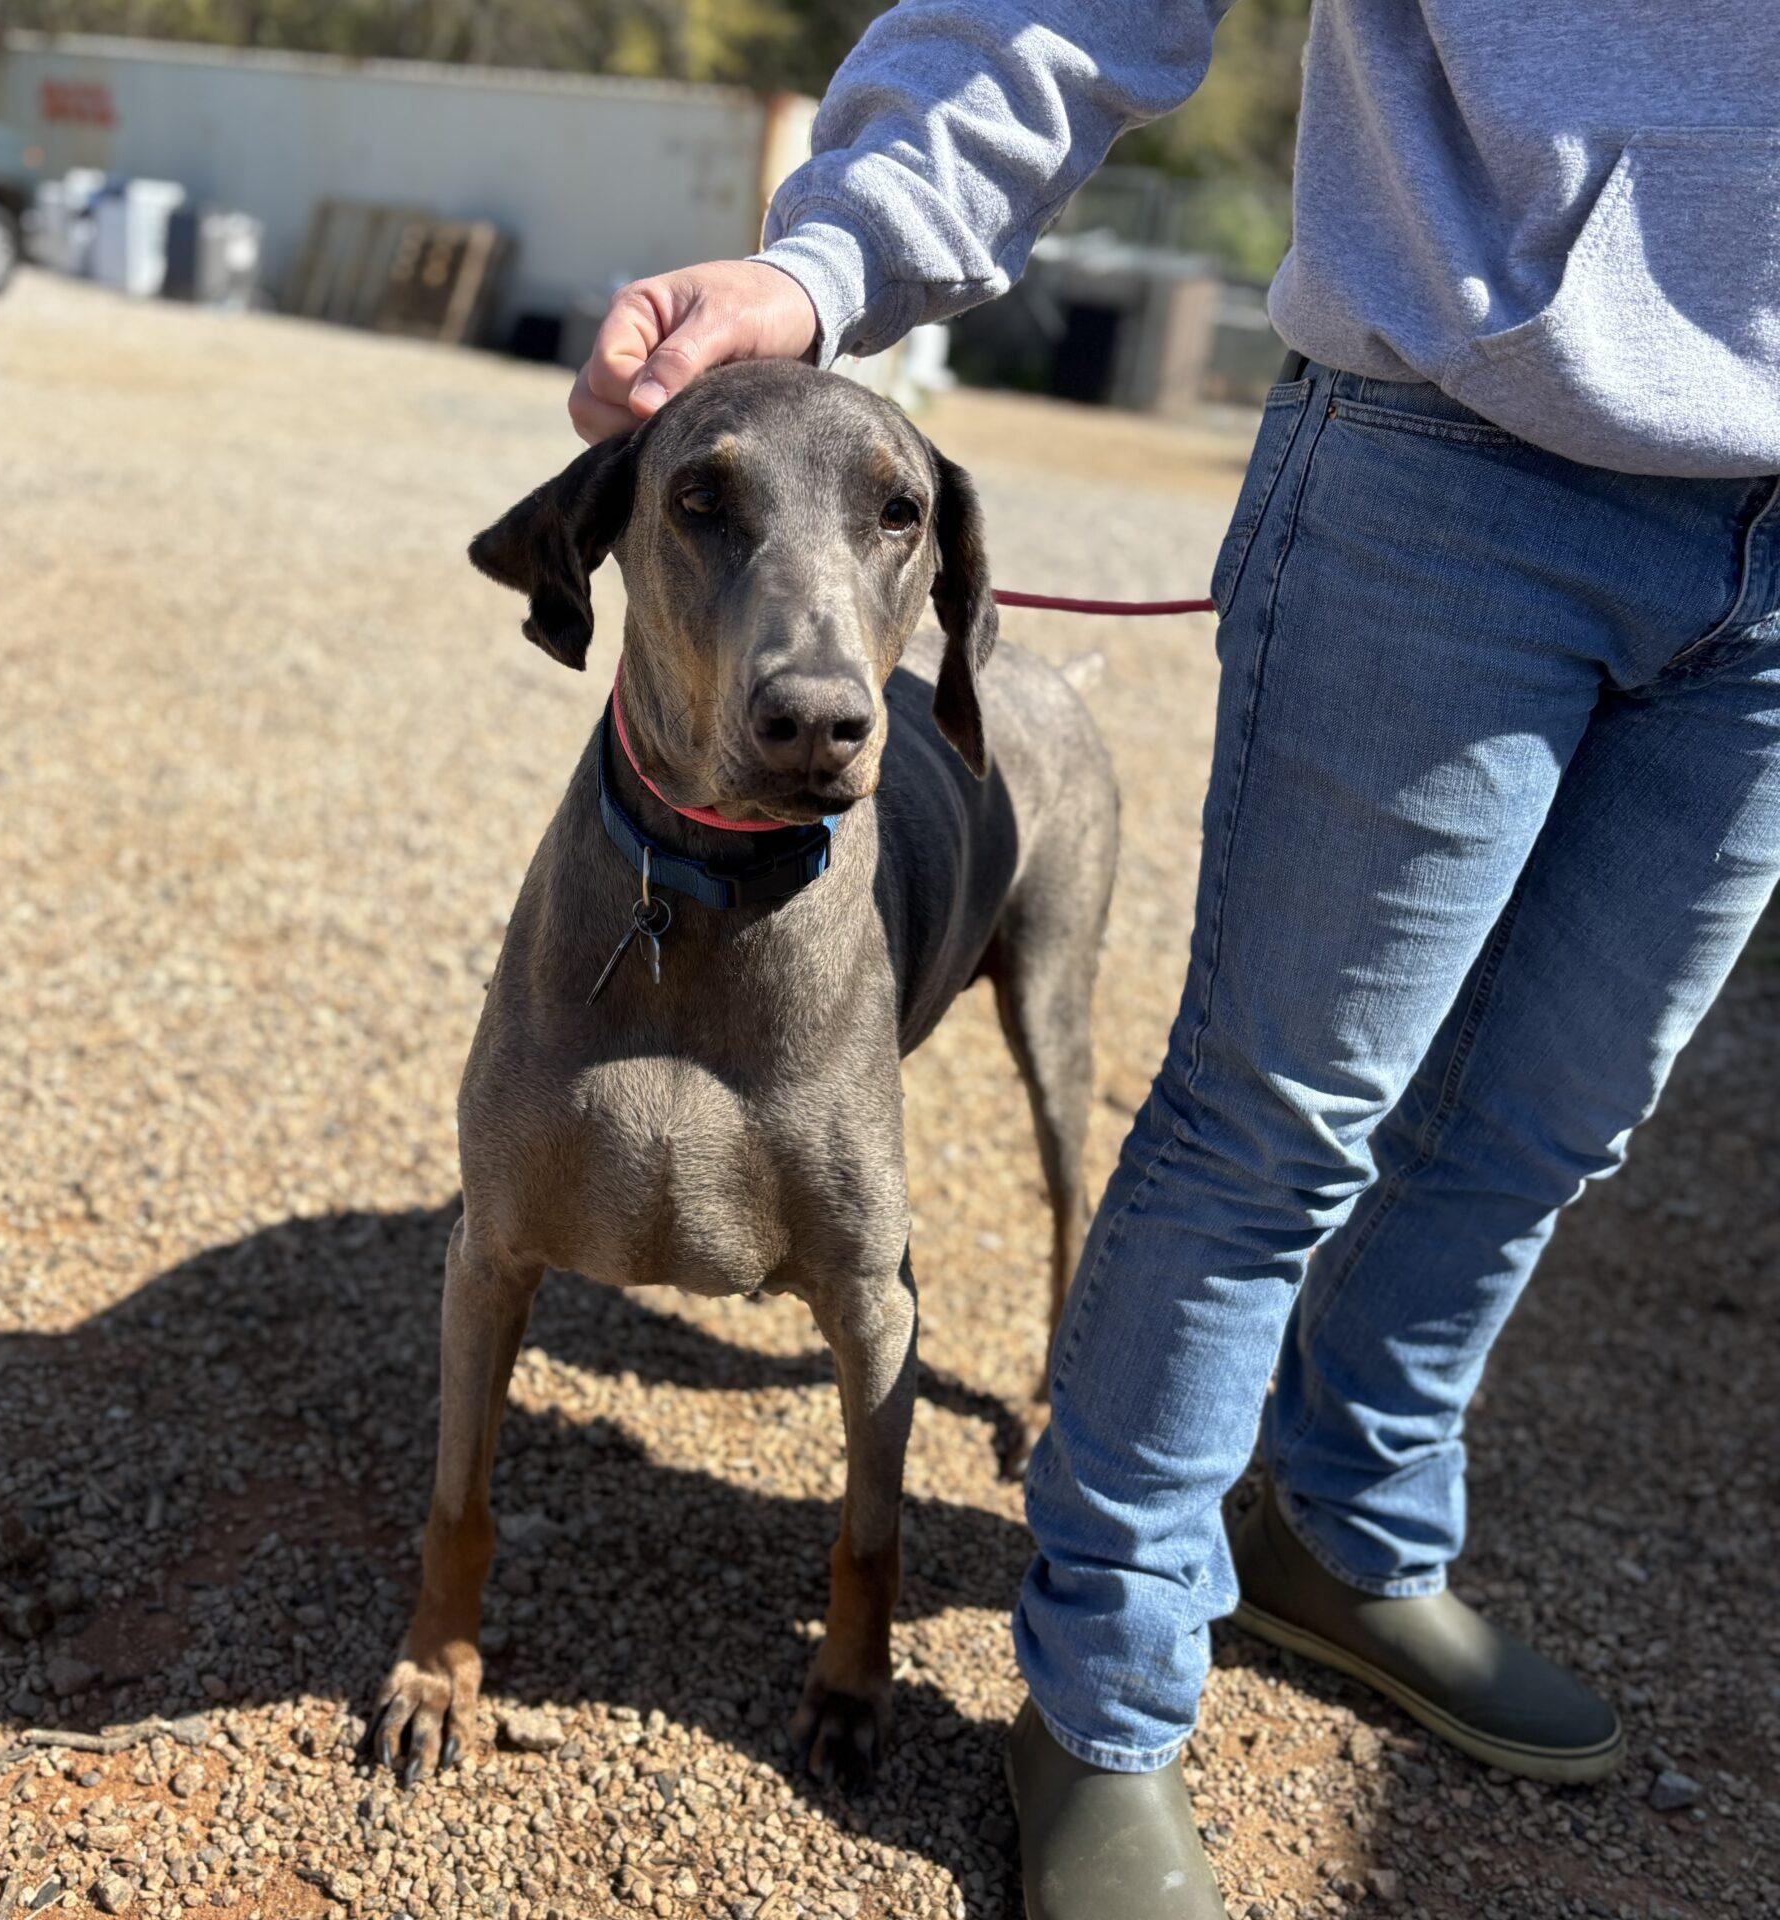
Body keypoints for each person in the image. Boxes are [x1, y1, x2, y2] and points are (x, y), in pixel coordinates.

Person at [570, 5, 1780, 1914]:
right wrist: (833, 258)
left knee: (1556, 1120)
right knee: (1277, 1121)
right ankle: (1106, 1704)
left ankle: (1347, 1535)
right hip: (1462, 460)